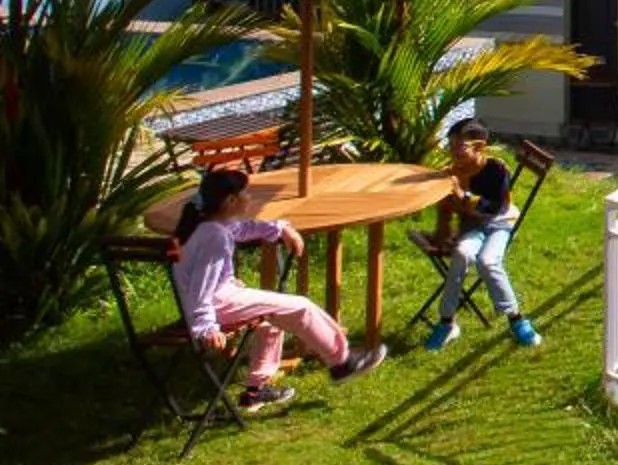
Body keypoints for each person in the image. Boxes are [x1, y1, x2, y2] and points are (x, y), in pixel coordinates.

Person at [173, 166, 386, 412]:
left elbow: (241, 229)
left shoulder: (208, 225)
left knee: (272, 320)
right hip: (217, 303)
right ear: (231, 200)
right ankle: (342, 362)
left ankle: (255, 391)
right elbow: (202, 288)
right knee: (300, 307)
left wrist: (279, 228)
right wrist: (205, 327)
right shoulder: (214, 236)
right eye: (245, 193)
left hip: (217, 298)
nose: (249, 198)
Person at [421, 121, 538, 351]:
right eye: (450, 146)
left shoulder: (496, 169)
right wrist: (442, 234)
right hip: (471, 226)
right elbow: (445, 211)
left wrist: (463, 195)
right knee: (462, 254)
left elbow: (494, 207)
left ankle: (516, 319)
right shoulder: (451, 173)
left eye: (460, 147)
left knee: (487, 261)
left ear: (479, 147)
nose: (454, 152)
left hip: (499, 224)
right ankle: (447, 323)